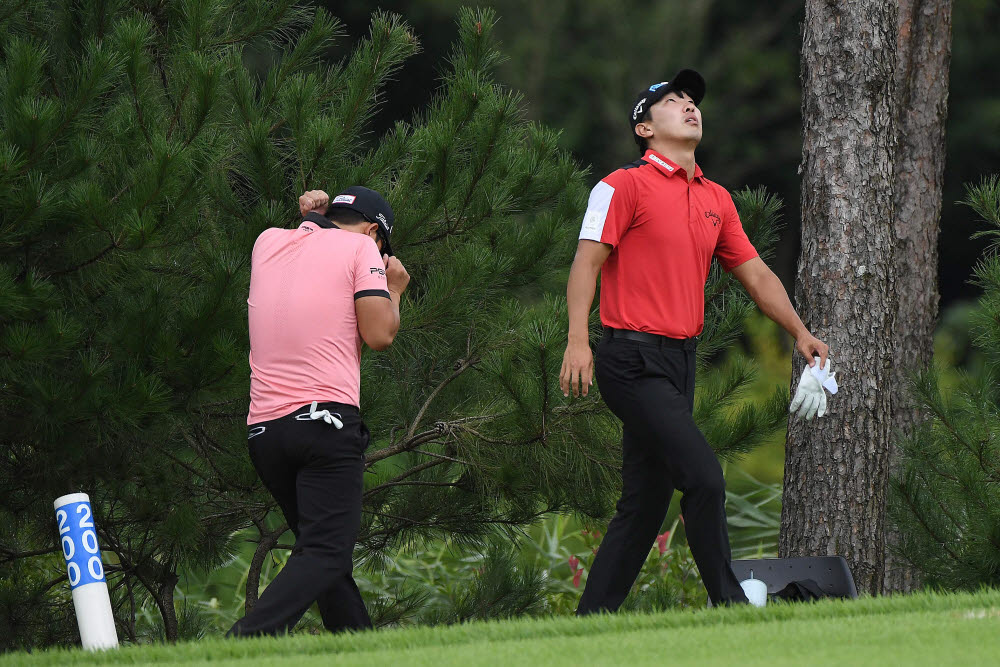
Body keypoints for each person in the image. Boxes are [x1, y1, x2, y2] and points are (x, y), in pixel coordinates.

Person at [560, 69, 830, 611]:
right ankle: (728, 604)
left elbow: (756, 275)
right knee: (704, 479)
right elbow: (586, 262)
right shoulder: (620, 185)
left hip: (680, 364)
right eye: (672, 101)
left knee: (644, 502)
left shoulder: (715, 198)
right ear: (644, 128)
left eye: (692, 101)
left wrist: (800, 332)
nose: (688, 106)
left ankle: (591, 619)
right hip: (628, 359)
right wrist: (577, 340)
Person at [228, 186, 409, 636]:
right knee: (327, 552)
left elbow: (309, 244)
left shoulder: (267, 242)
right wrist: (394, 289)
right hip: (324, 424)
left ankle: (359, 648)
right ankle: (243, 641)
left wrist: (311, 215)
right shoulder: (362, 247)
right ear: (374, 232)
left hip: (265, 433)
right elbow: (379, 334)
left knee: (320, 556)